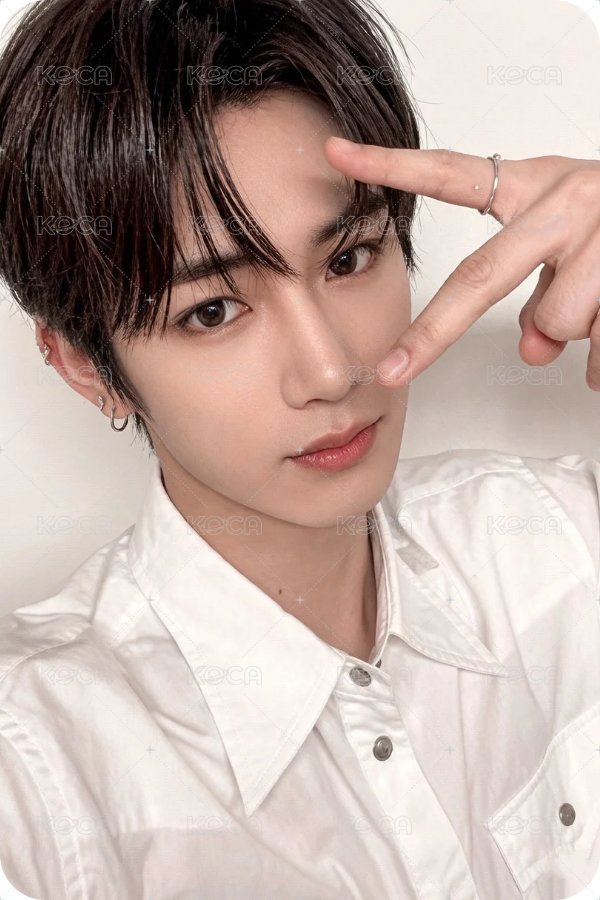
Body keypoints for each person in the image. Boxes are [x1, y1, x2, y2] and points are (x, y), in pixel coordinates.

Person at [1, 0, 600, 897]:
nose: (329, 370)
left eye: (349, 258)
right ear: (88, 366)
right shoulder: (39, 768)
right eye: (212, 311)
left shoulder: (560, 539)